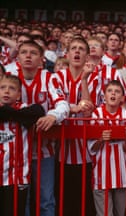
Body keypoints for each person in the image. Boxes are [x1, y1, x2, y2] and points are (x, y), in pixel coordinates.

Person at [6, 40, 70, 216]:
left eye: (33, 53)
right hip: (15, 151)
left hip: (44, 150)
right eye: (24, 52)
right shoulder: (9, 76)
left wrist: (52, 116)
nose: (28, 56)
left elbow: (63, 104)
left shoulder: (50, 77)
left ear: (42, 59)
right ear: (17, 56)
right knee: (21, 200)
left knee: (46, 199)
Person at [50, 37, 98, 216]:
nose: (77, 52)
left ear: (87, 56)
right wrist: (75, 107)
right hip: (61, 149)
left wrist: (84, 80)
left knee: (86, 201)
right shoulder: (56, 78)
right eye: (74, 48)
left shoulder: (95, 79)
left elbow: (88, 112)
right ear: (67, 53)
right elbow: (56, 104)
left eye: (81, 49)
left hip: (87, 151)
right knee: (63, 200)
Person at [0, 74, 45, 216]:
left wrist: (8, 114)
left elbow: (38, 111)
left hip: (18, 177)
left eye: (12, 88)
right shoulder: (22, 113)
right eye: (2, 88)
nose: (7, 91)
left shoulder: (26, 109)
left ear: (19, 94)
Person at [88, 80, 126, 216]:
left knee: (120, 213)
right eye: (110, 91)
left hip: (122, 173)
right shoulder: (97, 114)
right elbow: (91, 147)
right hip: (101, 172)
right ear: (104, 96)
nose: (113, 93)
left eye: (117, 91)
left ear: (122, 98)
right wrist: (102, 139)